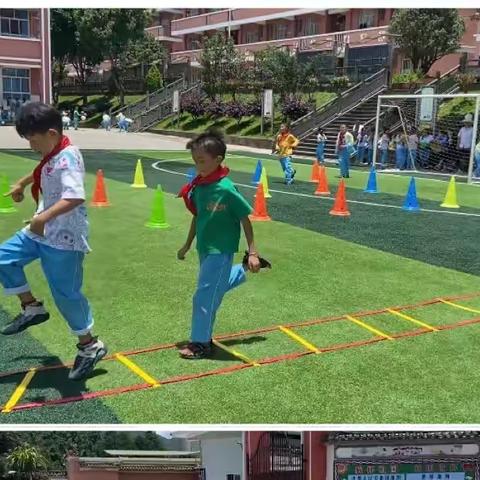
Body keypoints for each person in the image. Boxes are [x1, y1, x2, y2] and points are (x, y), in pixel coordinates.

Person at [0, 102, 107, 381]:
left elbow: (75, 196)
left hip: (64, 238)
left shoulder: (68, 156)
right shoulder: (53, 151)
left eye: (33, 140)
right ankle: (31, 307)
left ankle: (89, 345)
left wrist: (42, 218)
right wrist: (23, 184)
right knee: (4, 257)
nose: (32, 146)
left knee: (65, 294)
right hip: (41, 230)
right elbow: (43, 168)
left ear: (51, 133)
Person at [176, 129, 271, 359]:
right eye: (194, 161)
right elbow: (197, 217)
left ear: (218, 160)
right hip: (204, 248)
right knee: (215, 287)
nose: (198, 166)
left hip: (222, 249)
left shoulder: (226, 189)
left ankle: (200, 343)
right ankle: (245, 268)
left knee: (203, 296)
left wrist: (253, 251)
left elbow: (245, 220)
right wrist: (187, 244)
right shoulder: (200, 186)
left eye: (202, 161)